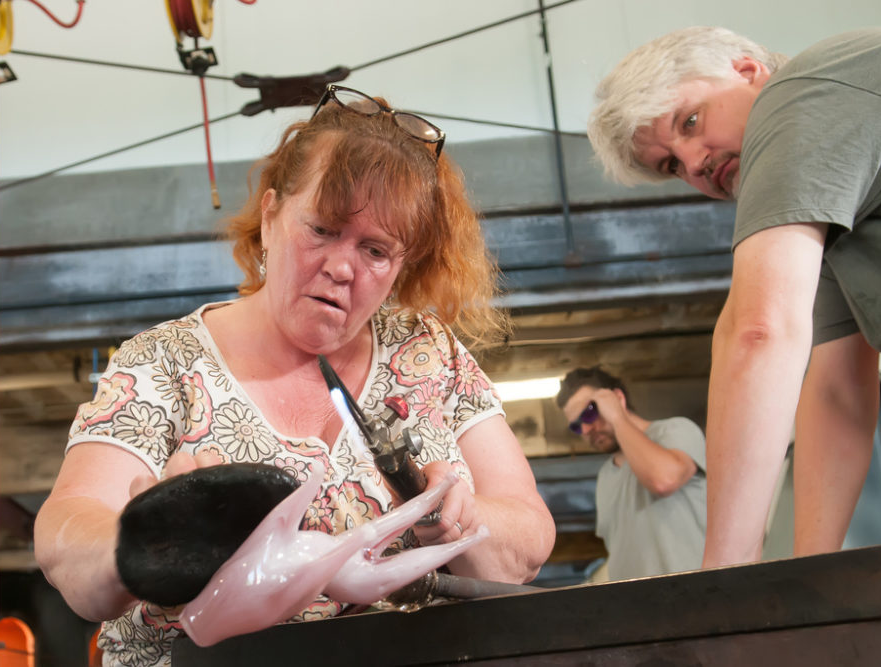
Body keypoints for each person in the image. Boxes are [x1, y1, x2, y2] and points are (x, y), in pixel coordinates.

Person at [34, 84, 556, 665]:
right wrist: (150, 534)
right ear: (272, 211)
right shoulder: (165, 362)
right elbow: (65, 540)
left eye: (376, 250)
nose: (340, 267)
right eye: (323, 230)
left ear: (402, 266)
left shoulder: (431, 355)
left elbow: (527, 544)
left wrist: (465, 518)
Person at [587, 25, 881, 568]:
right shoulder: (834, 204)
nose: (692, 162)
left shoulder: (802, 95)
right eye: (671, 164)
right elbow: (835, 390)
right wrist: (803, 585)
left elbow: (758, 330)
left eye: (689, 121)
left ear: (747, 71)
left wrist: (726, 584)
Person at [556, 366, 706, 581]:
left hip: (697, 597)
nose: (587, 429)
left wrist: (617, 417)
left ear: (617, 398)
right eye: (577, 426)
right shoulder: (605, 477)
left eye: (589, 413)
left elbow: (664, 480)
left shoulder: (674, 431)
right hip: (640, 608)